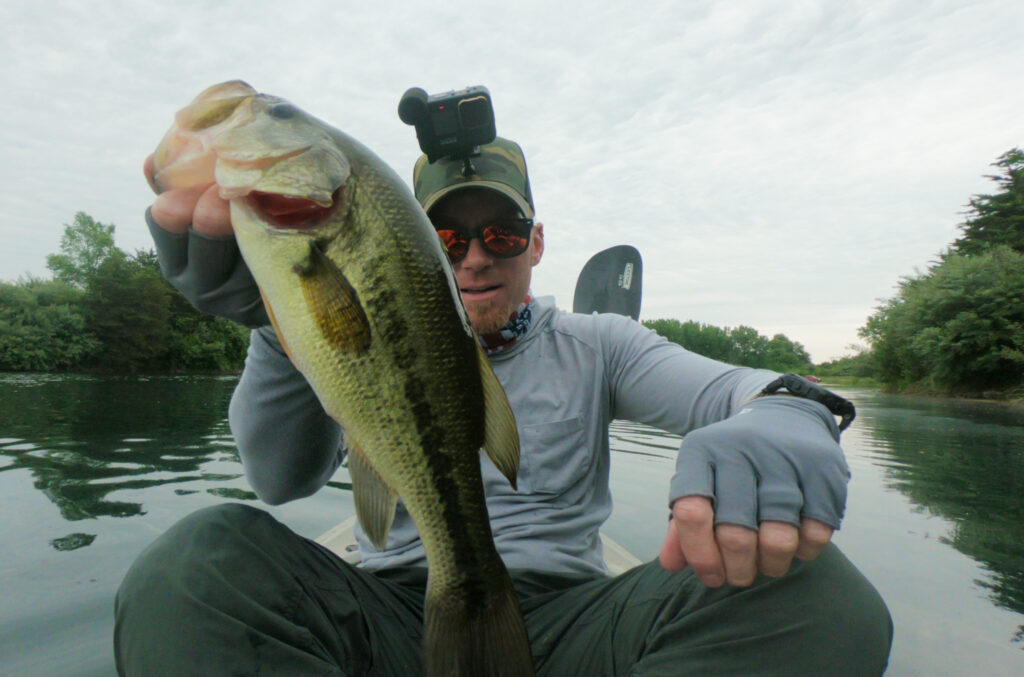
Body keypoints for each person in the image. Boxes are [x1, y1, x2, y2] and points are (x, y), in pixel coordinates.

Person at [115, 134, 893, 675]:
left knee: (816, 590)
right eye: (447, 240)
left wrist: (787, 411)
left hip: (579, 623)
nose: (478, 256)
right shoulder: (339, 331)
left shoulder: (600, 342)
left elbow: (734, 387)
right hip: (385, 612)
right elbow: (280, 480)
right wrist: (276, 326)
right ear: (408, 244)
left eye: (502, 231)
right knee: (193, 565)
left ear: (538, 240)